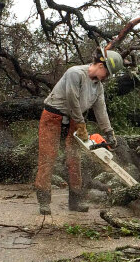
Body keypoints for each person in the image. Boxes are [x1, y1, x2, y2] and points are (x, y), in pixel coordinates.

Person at [34, 47, 123, 215]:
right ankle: (44, 201)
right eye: (108, 74)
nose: (107, 78)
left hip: (75, 120)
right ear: (101, 65)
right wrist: (81, 123)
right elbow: (72, 98)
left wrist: (109, 132)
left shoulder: (98, 88)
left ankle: (75, 200)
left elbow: (101, 110)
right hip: (53, 116)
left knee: (75, 159)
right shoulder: (75, 73)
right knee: (48, 157)